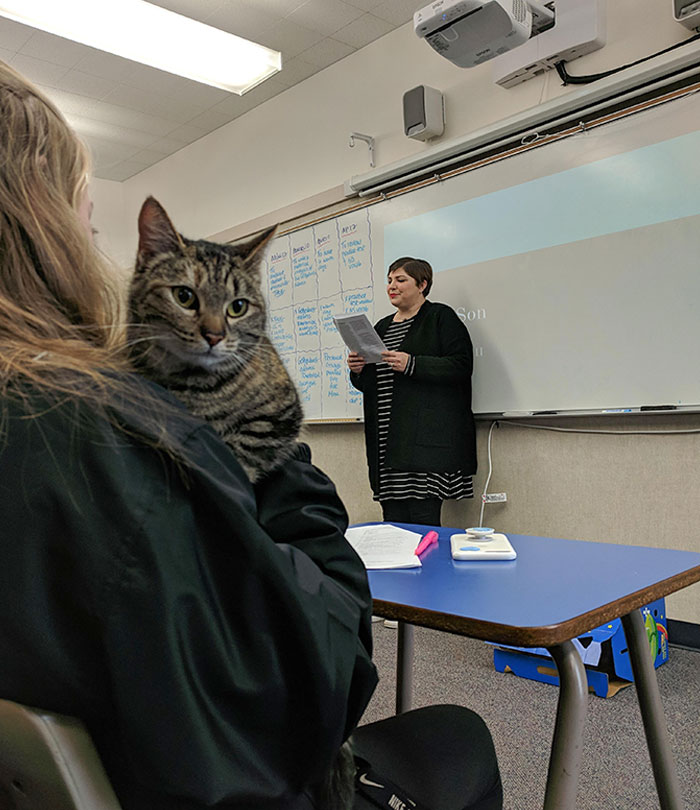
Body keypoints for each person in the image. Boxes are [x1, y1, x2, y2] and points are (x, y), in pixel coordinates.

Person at [0, 60, 501, 810]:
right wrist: (275, 452)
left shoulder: (46, 417)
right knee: (457, 735)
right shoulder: (109, 441)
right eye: (88, 220)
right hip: (214, 781)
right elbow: (327, 680)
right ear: (45, 230)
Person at [348, 257, 477, 527]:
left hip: (423, 443)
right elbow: (372, 384)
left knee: (423, 522)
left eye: (400, 279)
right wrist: (358, 370)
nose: (392, 286)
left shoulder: (440, 317)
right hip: (386, 443)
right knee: (392, 525)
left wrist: (413, 363)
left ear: (422, 284)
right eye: (389, 280)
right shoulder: (381, 327)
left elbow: (462, 365)